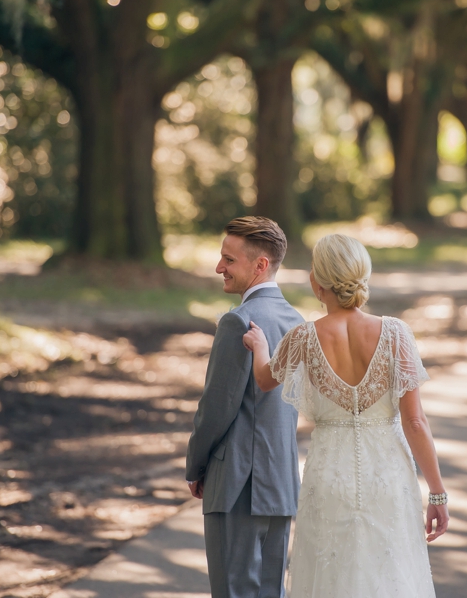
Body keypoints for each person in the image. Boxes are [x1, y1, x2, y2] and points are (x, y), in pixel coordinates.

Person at [242, 233, 448, 598]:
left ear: (315, 283)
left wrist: (260, 346)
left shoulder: (303, 338)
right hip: (387, 476)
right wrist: (437, 494)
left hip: (328, 476)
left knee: (329, 575)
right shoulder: (397, 334)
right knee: (392, 574)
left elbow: (263, 379)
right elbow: (415, 422)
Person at [185, 216, 305, 598]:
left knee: (233, 591)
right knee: (271, 592)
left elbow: (216, 409)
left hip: (236, 483)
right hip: (281, 482)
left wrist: (196, 465)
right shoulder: (297, 322)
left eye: (228, 259)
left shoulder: (237, 322)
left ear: (260, 265)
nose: (219, 267)